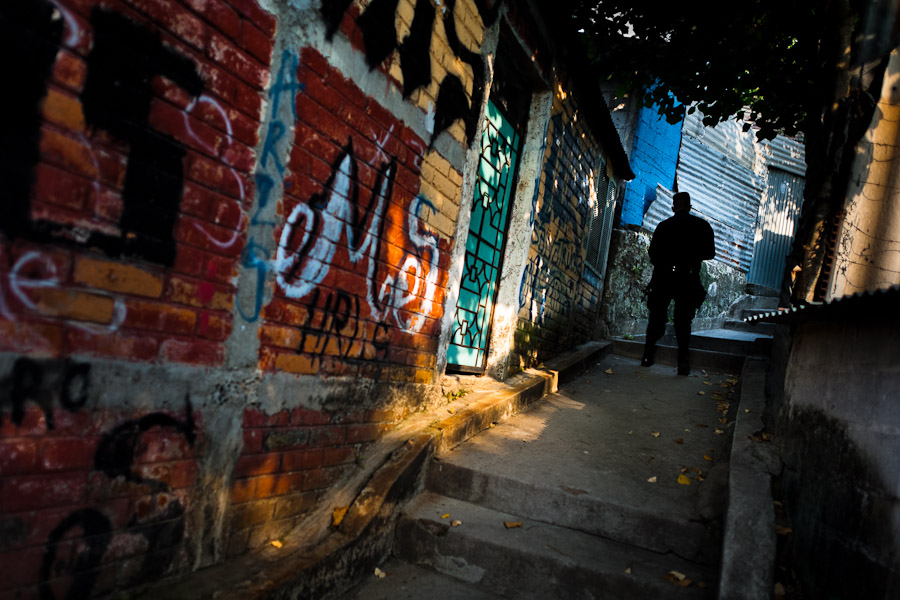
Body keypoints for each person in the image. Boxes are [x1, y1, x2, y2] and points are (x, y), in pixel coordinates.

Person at [641, 191, 715, 375]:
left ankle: (647, 356)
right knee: (683, 323)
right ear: (690, 207)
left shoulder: (663, 226)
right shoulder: (702, 226)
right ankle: (683, 362)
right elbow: (710, 253)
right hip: (687, 279)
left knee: (656, 318)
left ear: (673, 207)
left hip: (664, 278)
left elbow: (653, 255)